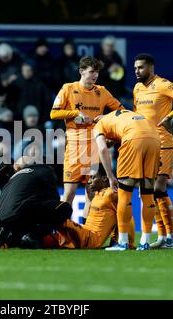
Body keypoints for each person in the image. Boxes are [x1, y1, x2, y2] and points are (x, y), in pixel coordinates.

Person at [133, 53, 173, 249]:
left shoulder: (162, 84)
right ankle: (162, 236)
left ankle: (171, 236)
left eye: (141, 67)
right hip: (144, 143)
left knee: (158, 188)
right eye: (135, 68)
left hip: (162, 142)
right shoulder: (137, 88)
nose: (137, 71)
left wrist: (171, 116)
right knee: (149, 190)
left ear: (150, 68)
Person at [50, 56, 123, 221]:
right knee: (69, 194)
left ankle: (86, 232)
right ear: (81, 71)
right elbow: (54, 113)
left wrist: (105, 118)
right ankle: (62, 230)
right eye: (91, 71)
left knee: (91, 194)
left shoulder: (102, 91)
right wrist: (75, 113)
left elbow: (121, 110)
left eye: (97, 72)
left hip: (94, 149)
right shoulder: (68, 89)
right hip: (74, 149)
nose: (95, 75)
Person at [95, 109, 161, 251]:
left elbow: (102, 149)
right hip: (155, 138)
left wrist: (110, 176)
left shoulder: (98, 125)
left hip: (133, 139)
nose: (109, 143)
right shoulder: (122, 115)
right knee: (148, 194)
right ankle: (145, 242)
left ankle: (123, 242)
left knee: (124, 193)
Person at [43, 164, 135, 249]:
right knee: (52, 238)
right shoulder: (97, 194)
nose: (90, 181)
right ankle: (33, 240)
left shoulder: (111, 193)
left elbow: (127, 213)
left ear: (104, 178)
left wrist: (123, 242)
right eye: (89, 178)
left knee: (57, 215)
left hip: (91, 239)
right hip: (85, 233)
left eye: (93, 178)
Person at [0, 162, 73, 249]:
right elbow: (54, 199)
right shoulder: (46, 170)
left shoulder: (19, 174)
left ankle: (3, 239)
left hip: (4, 217)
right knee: (65, 207)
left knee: (21, 236)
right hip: (21, 213)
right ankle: (33, 237)